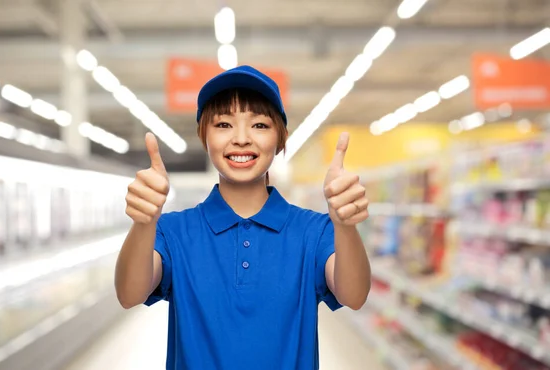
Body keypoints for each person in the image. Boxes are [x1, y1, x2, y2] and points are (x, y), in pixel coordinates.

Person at [115, 65, 372, 370]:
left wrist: (345, 227)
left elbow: (354, 296)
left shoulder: (313, 231)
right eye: (223, 124)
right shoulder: (173, 231)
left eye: (259, 125)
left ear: (280, 139)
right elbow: (130, 294)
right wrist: (143, 224)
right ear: (204, 136)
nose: (241, 139)